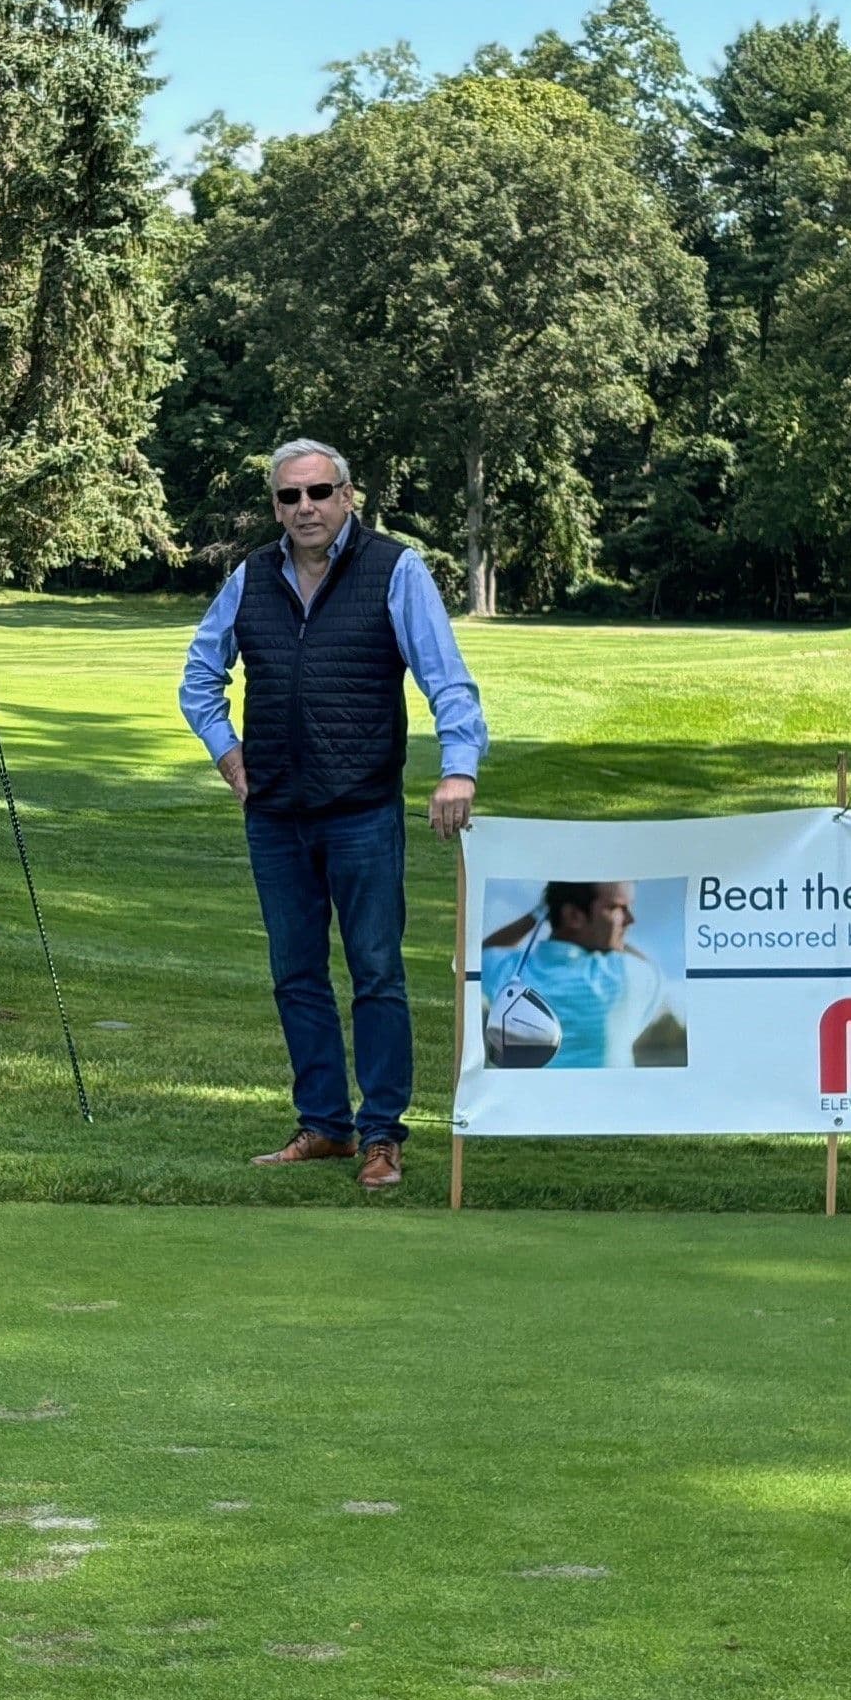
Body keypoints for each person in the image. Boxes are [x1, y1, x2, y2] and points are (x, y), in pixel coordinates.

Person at [179, 440, 487, 1190]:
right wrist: (228, 755)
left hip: (361, 813)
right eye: (290, 497)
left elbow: (448, 681)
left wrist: (458, 769)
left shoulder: (395, 570)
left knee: (377, 972)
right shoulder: (251, 577)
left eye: (319, 492)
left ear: (349, 496)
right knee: (295, 973)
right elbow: (198, 677)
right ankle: (325, 1126)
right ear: (276, 506)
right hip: (276, 813)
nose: (305, 508)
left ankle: (382, 1135)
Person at [479, 880, 684, 1069]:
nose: (630, 919)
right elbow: (652, 968)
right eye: (616, 908)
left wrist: (537, 914)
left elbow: (481, 953)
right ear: (574, 916)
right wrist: (615, 941)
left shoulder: (510, 971)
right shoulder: (628, 975)